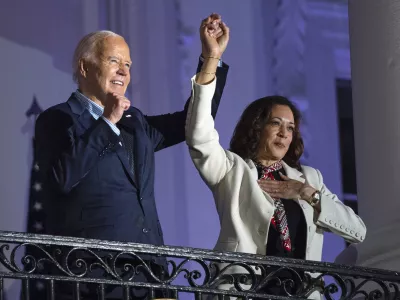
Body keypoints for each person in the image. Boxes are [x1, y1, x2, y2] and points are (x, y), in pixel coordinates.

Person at [34, 14, 229, 299]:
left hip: (151, 275)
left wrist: (210, 59)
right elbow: (61, 179)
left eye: (128, 64)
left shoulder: (134, 122)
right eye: (114, 61)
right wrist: (107, 123)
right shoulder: (58, 119)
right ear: (85, 67)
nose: (124, 71)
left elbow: (192, 122)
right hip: (94, 279)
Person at [185, 24, 366, 299]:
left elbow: (358, 232)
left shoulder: (309, 178)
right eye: (276, 124)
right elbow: (199, 135)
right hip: (244, 292)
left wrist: (307, 194)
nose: (284, 133)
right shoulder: (232, 170)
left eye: (291, 128)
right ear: (257, 128)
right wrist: (211, 59)